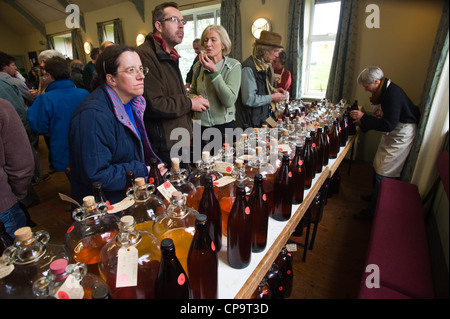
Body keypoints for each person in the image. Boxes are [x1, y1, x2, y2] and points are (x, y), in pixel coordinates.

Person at [69, 44, 166, 206]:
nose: (141, 76)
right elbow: (96, 176)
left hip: (128, 195)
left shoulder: (134, 103)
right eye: (131, 70)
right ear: (111, 79)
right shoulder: (92, 116)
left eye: (141, 69)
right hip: (106, 208)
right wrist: (142, 171)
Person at [136, 1, 210, 167]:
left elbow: (172, 95)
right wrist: (190, 103)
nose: (182, 26)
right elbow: (154, 104)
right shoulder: (145, 55)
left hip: (179, 138)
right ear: (159, 25)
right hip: (164, 145)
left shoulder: (170, 55)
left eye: (182, 22)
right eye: (174, 20)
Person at [350, 66, 420, 220]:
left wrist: (364, 118)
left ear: (376, 81)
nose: (366, 89)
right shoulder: (383, 91)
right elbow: (383, 121)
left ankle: (373, 211)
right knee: (378, 165)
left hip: (400, 134)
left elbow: (388, 124)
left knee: (384, 172)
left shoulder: (392, 94)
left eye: (367, 86)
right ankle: (374, 195)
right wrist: (363, 122)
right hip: (393, 132)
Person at [27, 57, 90, 176]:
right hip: (88, 147)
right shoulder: (85, 93)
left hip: (63, 149)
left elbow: (38, 126)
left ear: (48, 75)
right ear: (70, 73)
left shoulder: (45, 98)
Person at [189, 25, 241, 148]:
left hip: (224, 127)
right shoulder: (197, 66)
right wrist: (196, 98)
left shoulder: (233, 66)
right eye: (206, 40)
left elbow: (229, 100)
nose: (208, 44)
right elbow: (192, 91)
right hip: (199, 126)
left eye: (213, 40)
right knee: (200, 165)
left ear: (223, 44)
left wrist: (214, 72)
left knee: (222, 166)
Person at [236, 31, 286, 128]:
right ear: (265, 50)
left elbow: (262, 90)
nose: (277, 55)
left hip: (264, 118)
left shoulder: (265, 66)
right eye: (275, 51)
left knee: (278, 134)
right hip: (250, 123)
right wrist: (272, 97)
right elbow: (249, 100)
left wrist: (274, 91)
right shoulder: (248, 68)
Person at [0, 98, 35, 238]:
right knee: (16, 255)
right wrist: (17, 194)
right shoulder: (2, 108)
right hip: (4, 205)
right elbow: (21, 163)